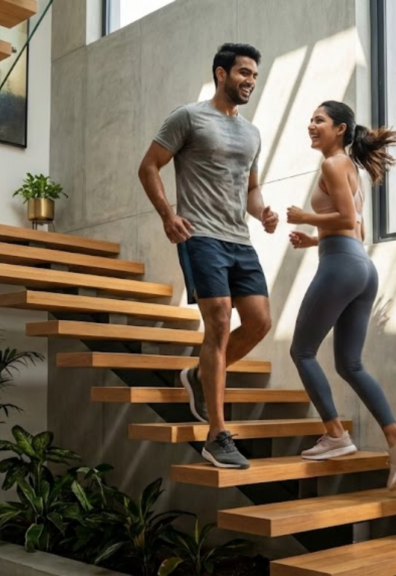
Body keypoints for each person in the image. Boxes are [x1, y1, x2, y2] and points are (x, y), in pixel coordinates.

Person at [138, 43, 278, 470]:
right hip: (201, 236)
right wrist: (167, 215)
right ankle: (216, 434)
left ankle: (200, 376)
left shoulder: (252, 132)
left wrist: (263, 211)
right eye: (243, 73)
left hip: (239, 239)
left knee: (258, 322)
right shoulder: (189, 117)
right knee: (218, 320)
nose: (250, 81)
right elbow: (149, 166)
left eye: (254, 74)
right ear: (221, 73)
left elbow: (249, 188)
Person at [285, 101, 396, 490]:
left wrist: (306, 218)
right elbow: (356, 230)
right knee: (350, 364)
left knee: (302, 351)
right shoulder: (350, 168)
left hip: (341, 266)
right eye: (311, 119)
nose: (311, 125)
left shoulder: (332, 164)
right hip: (361, 266)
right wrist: (314, 240)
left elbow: (346, 221)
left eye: (320, 120)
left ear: (341, 128)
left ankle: (335, 435)